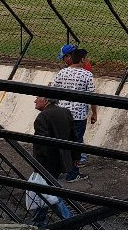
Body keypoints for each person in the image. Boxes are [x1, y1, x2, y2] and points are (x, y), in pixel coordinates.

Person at [51, 44, 97, 182]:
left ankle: (56, 171)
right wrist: (94, 113)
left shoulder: (62, 72)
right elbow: (92, 97)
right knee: (76, 145)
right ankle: (73, 173)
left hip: (62, 113)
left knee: (61, 142)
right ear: (82, 60)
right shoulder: (87, 74)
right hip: (78, 115)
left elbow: (53, 91)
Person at [31, 96, 74, 225]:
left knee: (46, 192)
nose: (34, 101)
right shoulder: (66, 112)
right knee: (46, 190)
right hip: (62, 160)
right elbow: (73, 136)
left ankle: (69, 220)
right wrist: (76, 156)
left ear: (45, 101)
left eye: (37, 98)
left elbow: (41, 144)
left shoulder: (42, 117)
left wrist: (38, 164)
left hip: (47, 162)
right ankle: (39, 221)